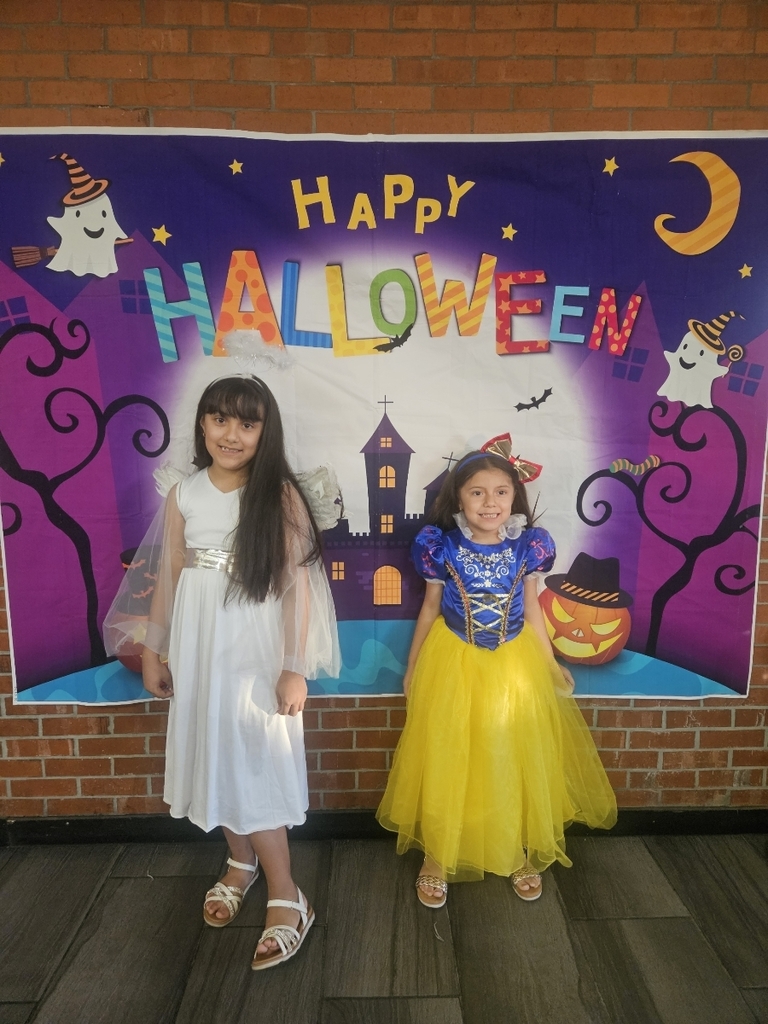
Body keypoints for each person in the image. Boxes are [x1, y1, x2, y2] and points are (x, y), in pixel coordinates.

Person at [104, 376, 340, 969]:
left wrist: (293, 667)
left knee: (254, 759)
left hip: (256, 652)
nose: (232, 434)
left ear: (265, 432)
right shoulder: (183, 493)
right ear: (203, 424)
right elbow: (170, 575)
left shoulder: (278, 496)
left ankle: (288, 894)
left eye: (247, 423)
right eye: (220, 419)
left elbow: (297, 589)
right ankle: (241, 862)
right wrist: (154, 650)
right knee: (214, 749)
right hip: (199, 647)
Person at [376, 444, 616, 907]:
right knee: (449, 754)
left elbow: (533, 610)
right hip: (454, 660)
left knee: (507, 752)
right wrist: (414, 666)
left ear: (513, 497)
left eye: (501, 492)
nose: (490, 502)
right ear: (459, 499)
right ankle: (438, 855)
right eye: (478, 492)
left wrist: (550, 663)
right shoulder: (441, 547)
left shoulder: (528, 547)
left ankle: (513, 848)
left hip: (513, 663)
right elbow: (429, 608)